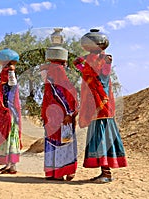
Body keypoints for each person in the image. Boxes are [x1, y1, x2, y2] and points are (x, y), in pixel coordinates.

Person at [73, 29, 127, 183]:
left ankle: (107, 173)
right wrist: (85, 60)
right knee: (99, 138)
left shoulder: (104, 61)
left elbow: (100, 76)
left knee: (102, 139)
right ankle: (104, 172)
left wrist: (89, 61)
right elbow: (78, 65)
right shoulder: (90, 63)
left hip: (101, 105)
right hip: (95, 106)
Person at [41, 45, 78, 181]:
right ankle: (65, 171)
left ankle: (53, 172)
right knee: (65, 143)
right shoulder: (57, 71)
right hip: (62, 117)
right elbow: (64, 93)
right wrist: (70, 112)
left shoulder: (49, 72)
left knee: (55, 142)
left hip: (52, 117)